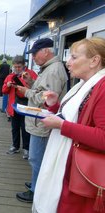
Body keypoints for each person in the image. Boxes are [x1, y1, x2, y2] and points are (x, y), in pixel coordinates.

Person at [33, 37, 105, 213]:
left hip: (81, 174)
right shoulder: (84, 85)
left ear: (94, 61)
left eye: (73, 57)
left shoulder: (102, 88)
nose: (68, 62)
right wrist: (55, 105)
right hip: (71, 167)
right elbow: (77, 116)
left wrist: (62, 126)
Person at [15, 38, 68, 203]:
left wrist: (26, 91)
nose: (34, 58)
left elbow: (46, 98)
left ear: (46, 51)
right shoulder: (49, 68)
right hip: (40, 122)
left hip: (43, 124)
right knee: (37, 158)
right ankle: (36, 183)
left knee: (36, 158)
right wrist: (30, 82)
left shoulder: (53, 70)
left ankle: (36, 191)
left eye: (35, 54)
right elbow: (43, 90)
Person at [2, 56, 37, 159]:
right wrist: (8, 85)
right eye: (15, 66)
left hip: (26, 106)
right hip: (14, 106)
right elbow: (4, 91)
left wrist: (20, 83)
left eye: (19, 67)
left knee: (26, 128)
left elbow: (35, 89)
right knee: (15, 128)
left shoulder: (31, 74)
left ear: (24, 66)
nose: (17, 68)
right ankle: (15, 146)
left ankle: (27, 149)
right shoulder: (10, 76)